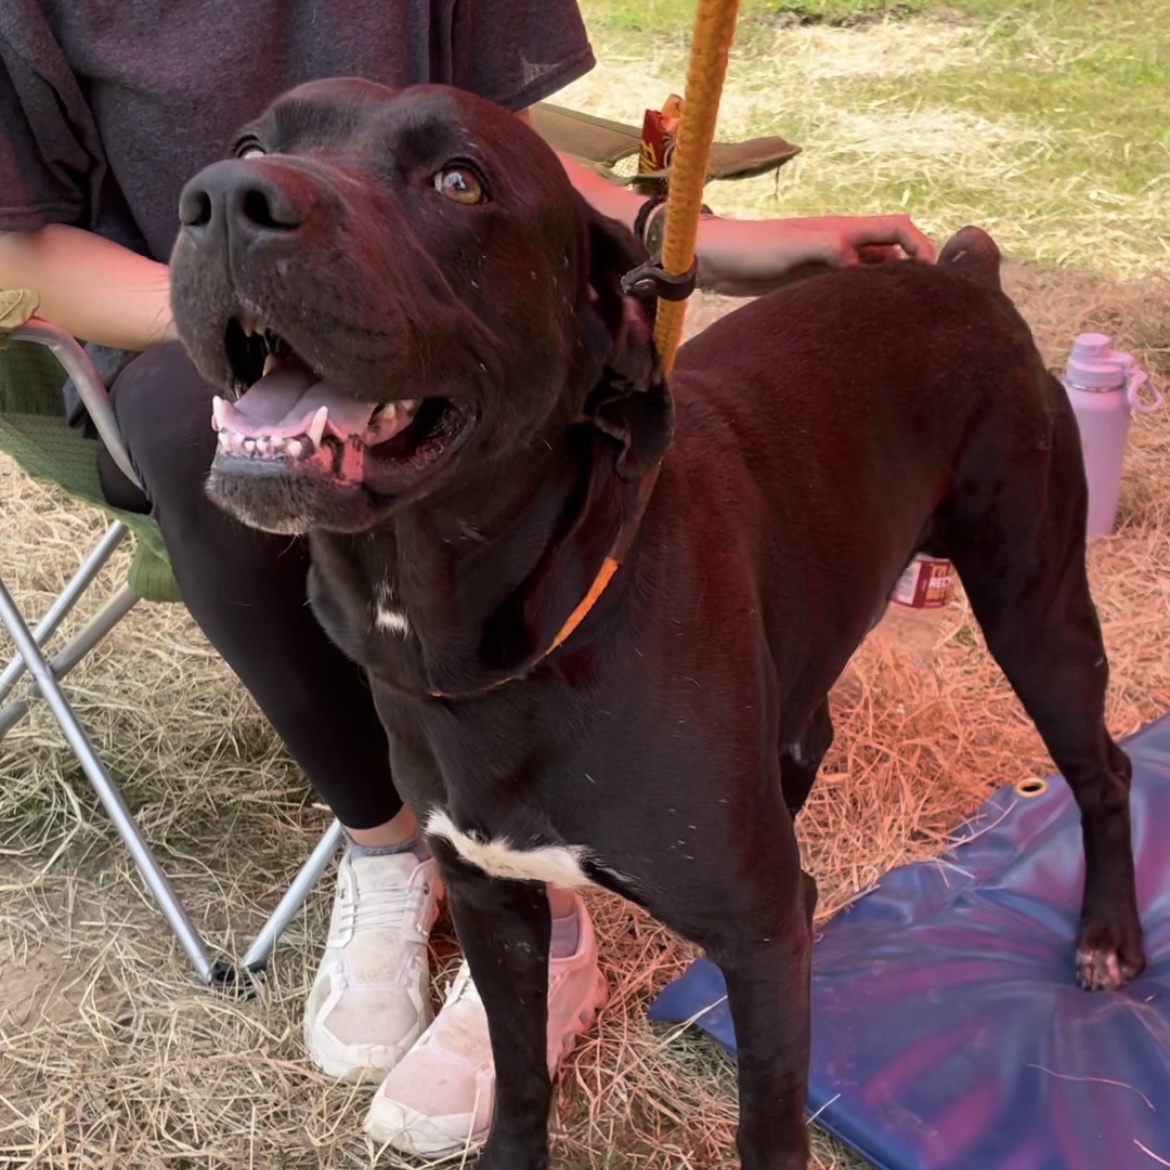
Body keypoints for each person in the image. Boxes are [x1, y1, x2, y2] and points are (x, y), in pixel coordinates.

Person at [0, 1, 935, 1157]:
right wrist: (252, 297)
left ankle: (535, 862)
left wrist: (711, 238)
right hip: (163, 326)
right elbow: (14, 243)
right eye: (243, 163)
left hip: (434, 336)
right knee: (196, 437)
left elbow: (516, 171)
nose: (247, 183)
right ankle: (395, 845)